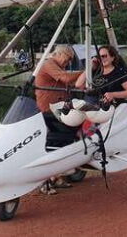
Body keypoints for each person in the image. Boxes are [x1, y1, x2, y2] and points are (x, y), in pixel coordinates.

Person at [34, 45, 82, 195]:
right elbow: (66, 78)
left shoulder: (57, 68)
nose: (67, 63)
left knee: (66, 139)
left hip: (59, 109)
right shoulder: (48, 64)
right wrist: (86, 72)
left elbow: (72, 83)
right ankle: (46, 180)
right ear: (60, 54)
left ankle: (58, 176)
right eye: (67, 59)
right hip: (48, 110)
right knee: (56, 143)